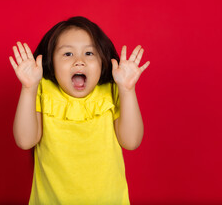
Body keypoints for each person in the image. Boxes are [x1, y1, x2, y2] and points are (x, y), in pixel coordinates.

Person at [9, 16, 150, 204]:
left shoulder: (112, 90)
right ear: (51, 61)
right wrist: (28, 89)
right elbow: (25, 140)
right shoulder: (42, 89)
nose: (79, 61)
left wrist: (127, 90)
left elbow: (131, 142)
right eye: (68, 54)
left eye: (89, 53)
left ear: (102, 61)